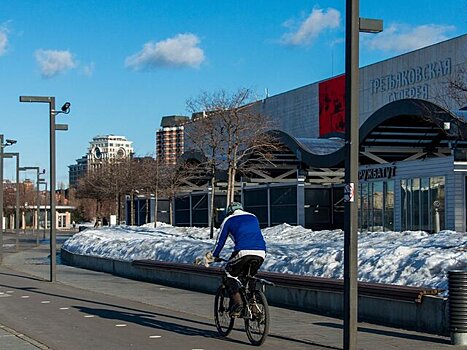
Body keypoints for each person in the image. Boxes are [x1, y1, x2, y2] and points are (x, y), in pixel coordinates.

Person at [205, 202, 266, 317]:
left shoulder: (228, 220)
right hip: (261, 252)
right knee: (249, 276)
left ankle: (238, 303)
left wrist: (213, 255)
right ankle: (253, 304)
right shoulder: (253, 217)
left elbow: (220, 242)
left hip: (243, 251)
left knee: (229, 273)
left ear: (229, 211)